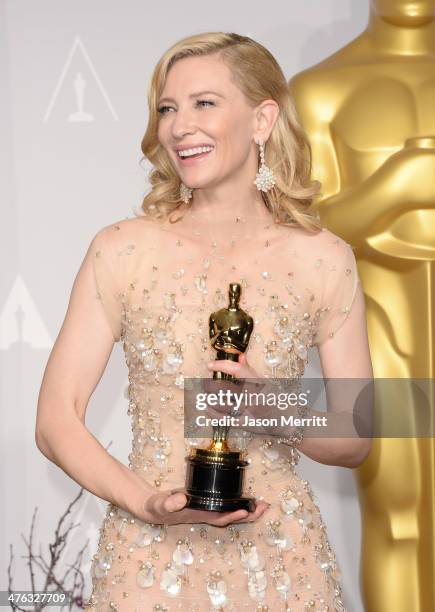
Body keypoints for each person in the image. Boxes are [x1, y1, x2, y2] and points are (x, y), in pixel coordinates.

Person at [35, 32, 373, 612]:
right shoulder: (123, 249)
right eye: (168, 108)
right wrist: (146, 503)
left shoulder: (322, 256)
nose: (178, 126)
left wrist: (266, 402)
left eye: (204, 103)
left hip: (283, 564)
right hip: (148, 563)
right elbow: (55, 421)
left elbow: (357, 436)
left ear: (263, 118)